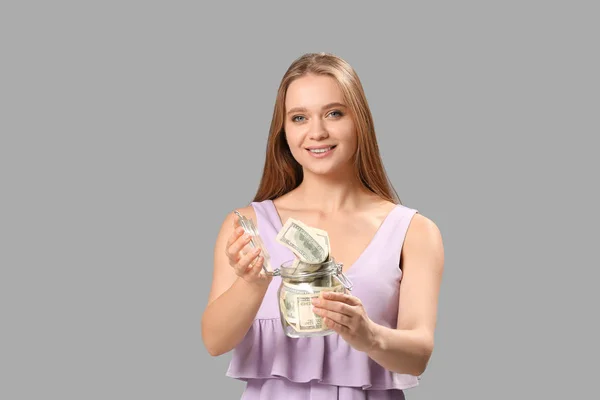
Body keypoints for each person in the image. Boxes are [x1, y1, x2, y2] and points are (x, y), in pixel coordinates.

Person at [201, 52, 445, 399]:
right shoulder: (246, 225)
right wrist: (252, 285)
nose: (317, 132)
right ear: (283, 131)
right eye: (299, 117)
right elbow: (214, 342)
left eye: (334, 113)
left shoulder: (414, 231)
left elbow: (419, 355)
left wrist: (369, 336)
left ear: (358, 119)